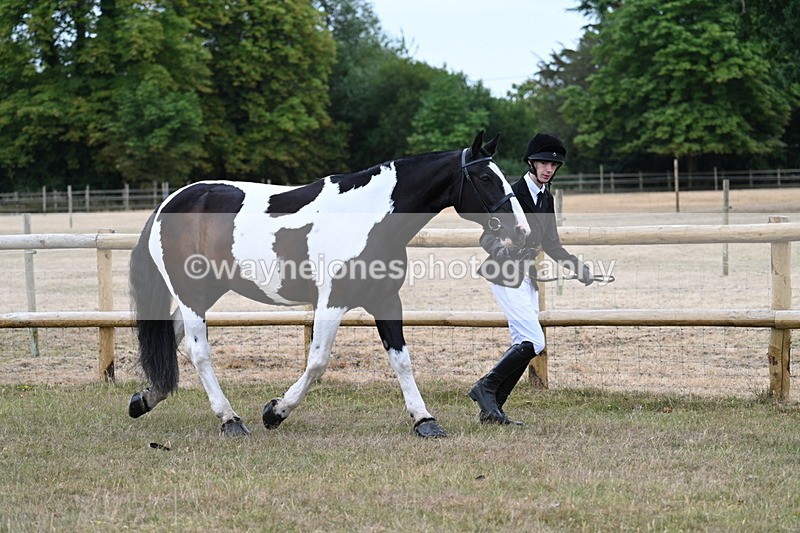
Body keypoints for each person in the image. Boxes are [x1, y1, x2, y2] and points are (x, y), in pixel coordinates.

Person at [469, 132, 593, 426]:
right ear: (531, 163)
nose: (549, 169)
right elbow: (487, 236)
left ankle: (493, 409)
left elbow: (551, 243)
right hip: (504, 275)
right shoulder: (510, 194)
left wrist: (577, 267)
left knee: (522, 343)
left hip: (527, 278)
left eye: (554, 165)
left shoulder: (545, 198)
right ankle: (484, 388)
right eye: (543, 163)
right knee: (533, 340)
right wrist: (501, 249)